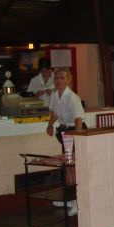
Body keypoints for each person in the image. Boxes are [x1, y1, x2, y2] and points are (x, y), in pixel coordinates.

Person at [46, 68, 84, 215]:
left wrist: (78, 138)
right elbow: (55, 112)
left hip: (75, 131)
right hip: (65, 132)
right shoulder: (54, 95)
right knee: (67, 166)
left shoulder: (73, 97)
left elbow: (78, 118)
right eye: (56, 78)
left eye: (62, 78)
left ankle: (77, 202)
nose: (58, 80)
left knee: (73, 167)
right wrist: (50, 125)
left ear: (67, 80)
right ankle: (70, 197)